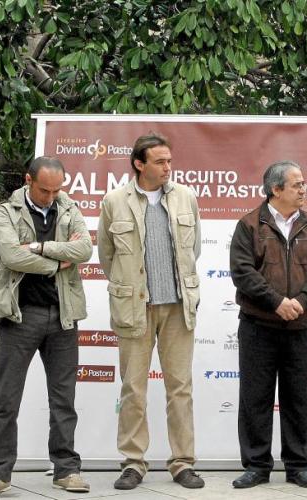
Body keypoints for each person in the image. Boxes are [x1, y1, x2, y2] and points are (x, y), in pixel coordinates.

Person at [97, 133, 204, 490]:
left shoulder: (186, 197)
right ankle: (133, 462)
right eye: (160, 162)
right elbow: (107, 257)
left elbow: (194, 250)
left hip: (177, 308)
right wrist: (131, 288)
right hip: (134, 309)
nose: (168, 167)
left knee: (180, 389)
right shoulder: (114, 201)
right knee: (133, 389)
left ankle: (183, 462)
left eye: (169, 161)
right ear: (139, 164)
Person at [0, 157, 92, 497]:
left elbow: (84, 249)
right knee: (6, 399)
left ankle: (66, 470)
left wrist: (39, 247)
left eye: (57, 190)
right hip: (20, 315)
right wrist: (57, 264)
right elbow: (12, 256)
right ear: (28, 181)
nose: (51, 197)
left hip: (63, 315)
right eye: (45, 190)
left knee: (64, 400)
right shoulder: (6, 212)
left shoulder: (68, 207)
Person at [229, 161, 307, 489]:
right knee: (255, 398)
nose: (304, 189)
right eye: (297, 184)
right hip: (257, 327)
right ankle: (257, 466)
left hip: (300, 328)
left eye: (303, 184)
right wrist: (276, 302)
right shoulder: (249, 225)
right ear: (276, 190)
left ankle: (298, 465)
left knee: (298, 399)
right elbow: (243, 272)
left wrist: (301, 301)